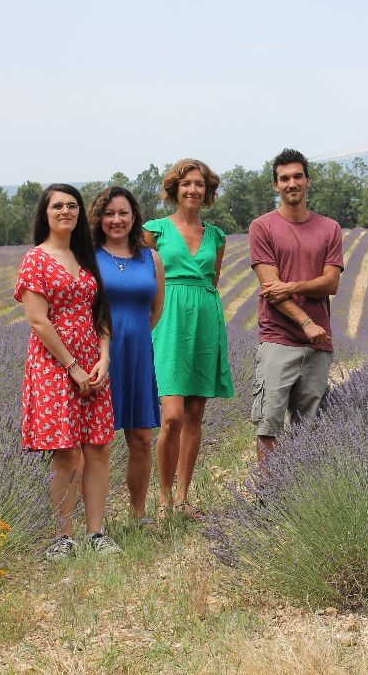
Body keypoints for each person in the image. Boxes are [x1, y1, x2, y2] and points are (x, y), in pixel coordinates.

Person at [14, 183, 121, 560]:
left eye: (72, 206)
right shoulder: (35, 260)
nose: (65, 211)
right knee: (66, 451)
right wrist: (73, 367)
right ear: (45, 213)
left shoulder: (85, 255)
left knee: (99, 447)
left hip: (92, 364)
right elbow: (39, 322)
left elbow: (101, 313)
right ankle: (64, 537)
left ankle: (97, 533)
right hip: (55, 366)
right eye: (57, 205)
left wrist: (104, 359)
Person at [143, 159, 234, 519]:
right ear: (174, 191)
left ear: (207, 191)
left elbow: (214, 279)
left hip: (206, 318)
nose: (193, 190)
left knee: (195, 414)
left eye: (199, 184)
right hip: (168, 318)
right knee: (172, 416)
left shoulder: (217, 236)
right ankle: (163, 499)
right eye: (186, 184)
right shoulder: (155, 231)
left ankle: (182, 497)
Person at [248, 148, 343, 465]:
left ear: (308, 181)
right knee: (268, 426)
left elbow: (331, 283)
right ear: (276, 185)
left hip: (319, 344)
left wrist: (291, 285)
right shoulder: (262, 227)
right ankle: (270, 501)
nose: (292, 183)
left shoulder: (329, 228)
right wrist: (306, 322)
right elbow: (270, 290)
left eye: (297, 176)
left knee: (310, 428)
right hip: (278, 339)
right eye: (284, 178)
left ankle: (302, 498)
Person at [90, 186, 165, 528]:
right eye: (109, 213)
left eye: (123, 213)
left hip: (137, 357)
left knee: (140, 439)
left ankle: (138, 514)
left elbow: (156, 310)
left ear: (134, 217)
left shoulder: (150, 258)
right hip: (98, 358)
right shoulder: (88, 257)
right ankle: (95, 523)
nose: (116, 220)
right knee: (96, 443)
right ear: (99, 218)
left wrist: (133, 337)